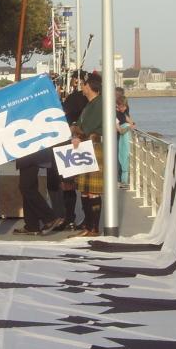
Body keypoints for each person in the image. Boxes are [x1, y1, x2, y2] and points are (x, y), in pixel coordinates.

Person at [70, 72, 104, 237]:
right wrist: (76, 129)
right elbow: (80, 123)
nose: (81, 87)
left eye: (84, 85)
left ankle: (94, 227)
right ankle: (88, 225)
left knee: (93, 190)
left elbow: (86, 127)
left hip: (93, 146)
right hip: (85, 146)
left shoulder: (99, 104)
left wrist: (76, 131)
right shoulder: (89, 104)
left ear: (90, 87)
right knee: (84, 189)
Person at [60, 71, 89, 230]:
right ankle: (73, 218)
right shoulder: (80, 98)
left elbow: (66, 116)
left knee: (72, 184)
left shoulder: (76, 98)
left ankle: (72, 218)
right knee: (70, 183)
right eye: (73, 79)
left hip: (75, 142)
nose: (74, 82)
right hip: (72, 141)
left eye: (76, 79)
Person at [14, 147, 65, 235]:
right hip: (26, 152)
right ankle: (31, 226)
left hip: (31, 151)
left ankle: (50, 218)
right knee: (29, 188)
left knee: (26, 187)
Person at [116, 86, 135, 188]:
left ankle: (124, 179)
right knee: (120, 157)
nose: (124, 108)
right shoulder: (114, 113)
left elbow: (128, 118)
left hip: (123, 136)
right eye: (122, 106)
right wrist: (129, 126)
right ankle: (120, 180)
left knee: (125, 157)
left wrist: (131, 123)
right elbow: (120, 130)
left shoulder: (124, 110)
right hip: (118, 135)